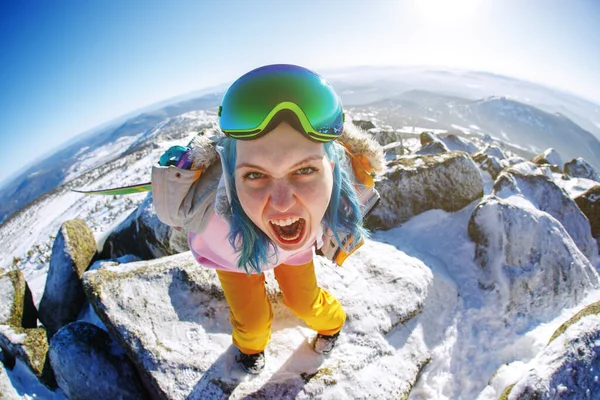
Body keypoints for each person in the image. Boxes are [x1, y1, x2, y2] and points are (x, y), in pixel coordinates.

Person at [152, 64, 385, 374]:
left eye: (304, 170)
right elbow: (174, 206)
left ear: (331, 167)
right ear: (230, 175)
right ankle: (251, 347)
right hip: (233, 255)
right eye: (255, 175)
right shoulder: (210, 208)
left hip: (288, 251)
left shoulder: (338, 186)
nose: (282, 203)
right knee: (251, 320)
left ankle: (332, 325)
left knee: (304, 302)